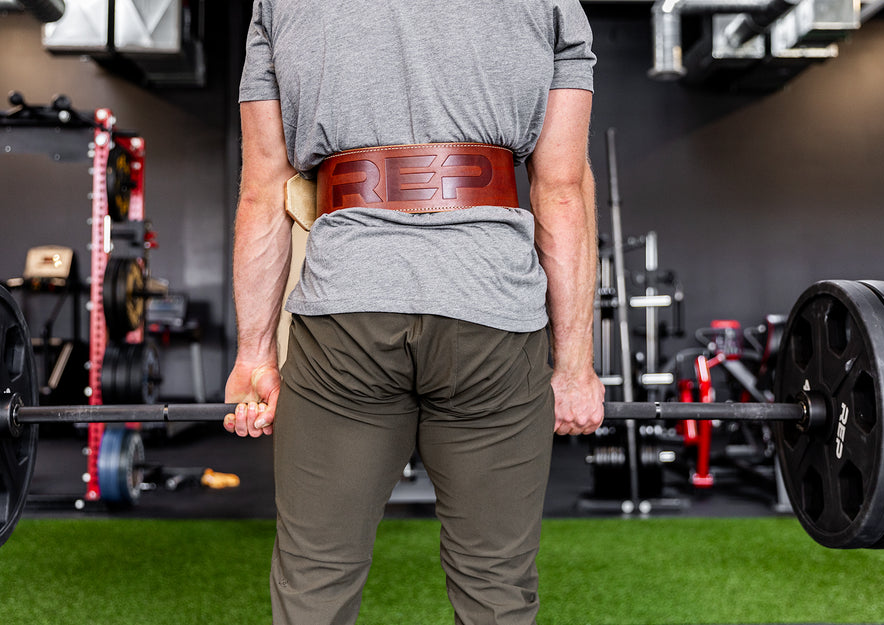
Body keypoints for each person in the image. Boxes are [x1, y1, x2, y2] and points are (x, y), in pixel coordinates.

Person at [223, 1, 605, 623]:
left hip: (346, 319)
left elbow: (264, 190)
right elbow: (559, 190)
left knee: (313, 580)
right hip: (493, 320)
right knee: (496, 588)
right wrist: (574, 367)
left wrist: (254, 356)